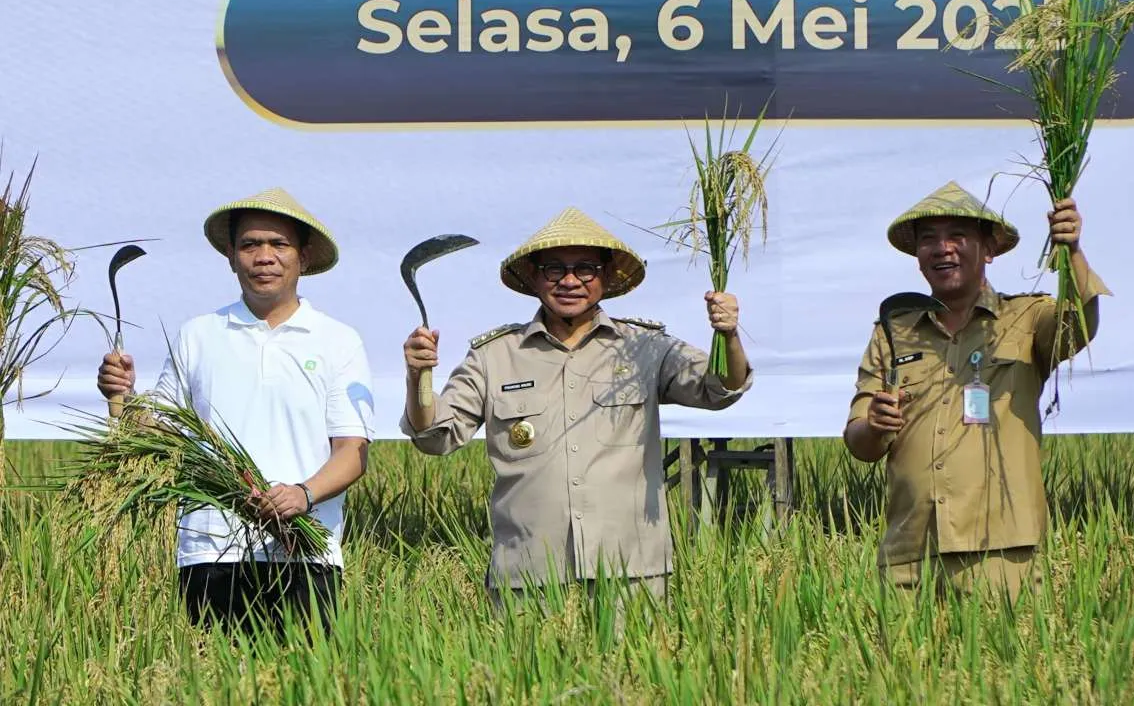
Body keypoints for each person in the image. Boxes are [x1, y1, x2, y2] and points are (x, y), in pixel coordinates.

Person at [401, 206, 752, 610]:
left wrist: (728, 336)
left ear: (606, 276)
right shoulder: (493, 356)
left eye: (585, 268)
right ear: (534, 277)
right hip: (527, 577)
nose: (570, 281)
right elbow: (435, 437)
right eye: (554, 269)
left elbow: (721, 389)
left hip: (631, 575)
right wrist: (417, 376)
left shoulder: (644, 347)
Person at [96, 187, 375, 634]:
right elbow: (159, 439)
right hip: (211, 551)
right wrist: (123, 398)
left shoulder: (337, 341)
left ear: (302, 257)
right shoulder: (198, 336)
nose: (264, 256)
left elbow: (353, 451)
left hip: (305, 553)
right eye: (250, 244)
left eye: (278, 244)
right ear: (231, 257)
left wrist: (302, 494)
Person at [843, 181, 1110, 601]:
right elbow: (859, 442)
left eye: (957, 236)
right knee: (895, 666)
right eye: (928, 240)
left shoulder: (1026, 318)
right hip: (909, 556)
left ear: (988, 249)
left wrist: (1072, 251)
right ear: (917, 257)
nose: (942, 248)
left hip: (1000, 555)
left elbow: (1078, 324)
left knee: (1007, 665)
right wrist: (875, 426)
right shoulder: (894, 332)